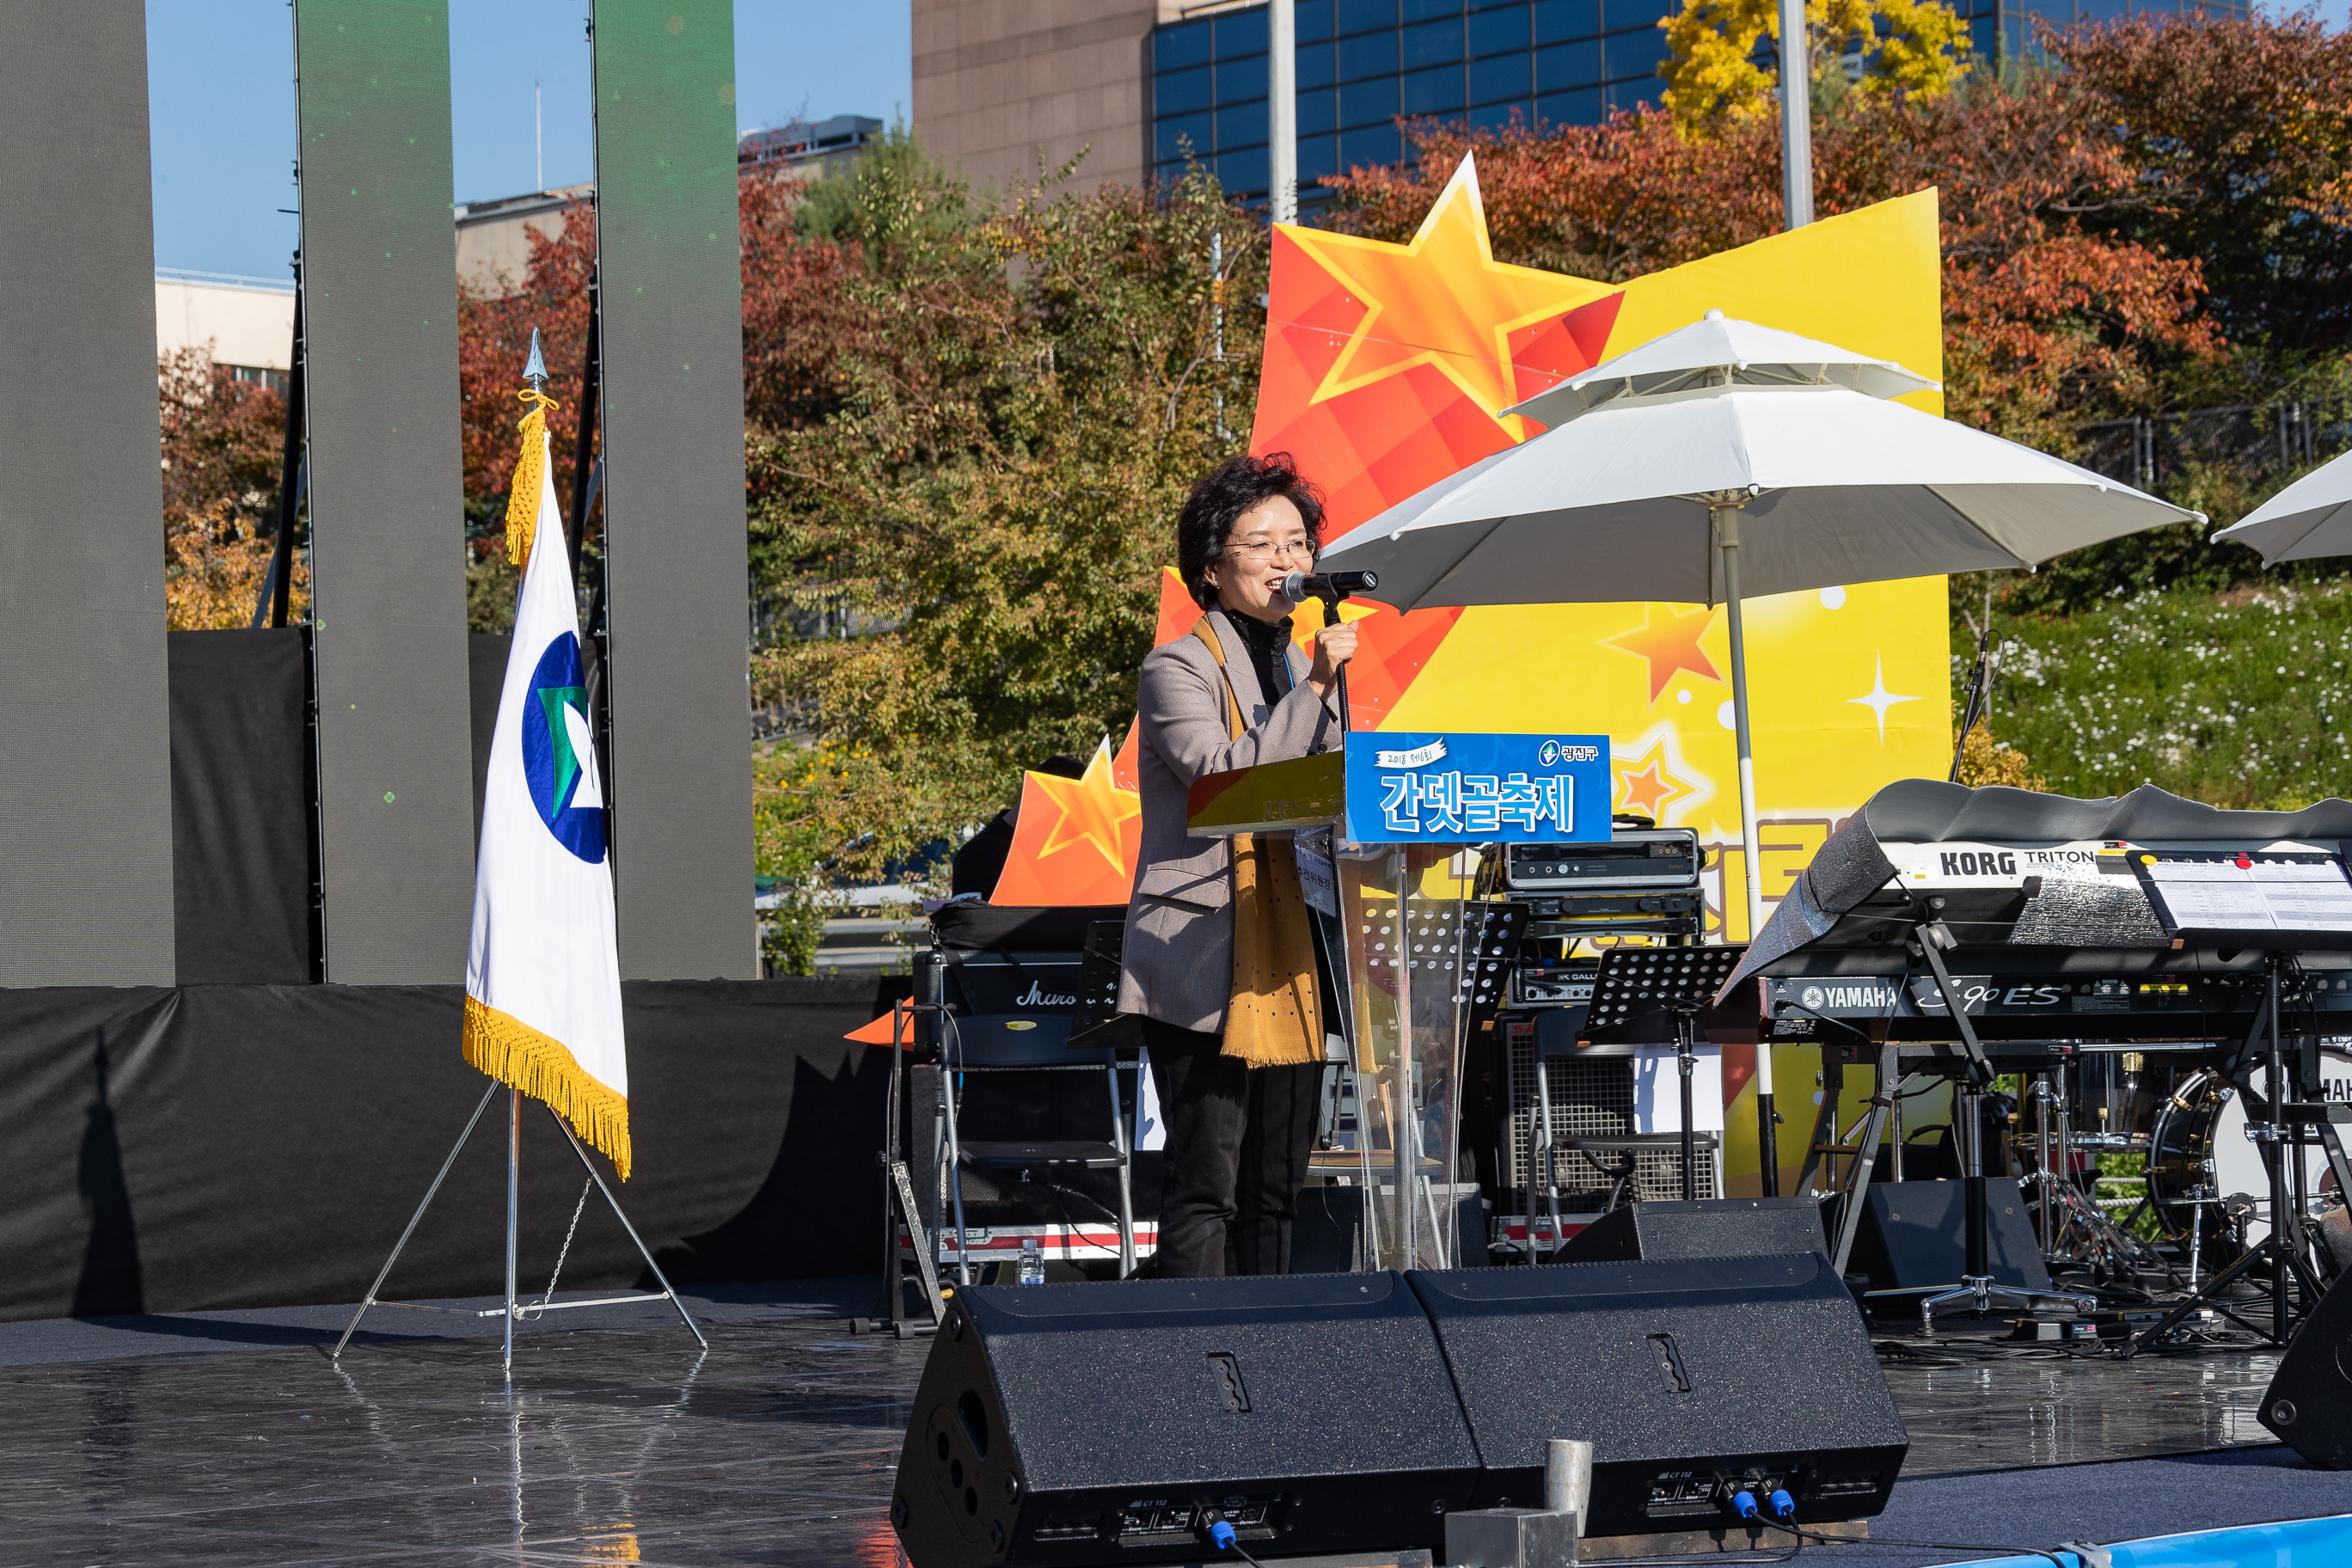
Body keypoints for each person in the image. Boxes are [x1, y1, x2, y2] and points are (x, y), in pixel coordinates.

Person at [1117, 451, 1358, 1277]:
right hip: (1203, 955)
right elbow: (1225, 780)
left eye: (1299, 542)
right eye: (1264, 544)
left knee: (1276, 1188)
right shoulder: (1175, 669)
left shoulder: (1297, 667)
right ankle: (1191, 1365)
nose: (1289, 561)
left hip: (1293, 947)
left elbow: (1326, 791)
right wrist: (1319, 687)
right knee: (1207, 1185)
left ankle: (1273, 1357)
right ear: (1213, 568)